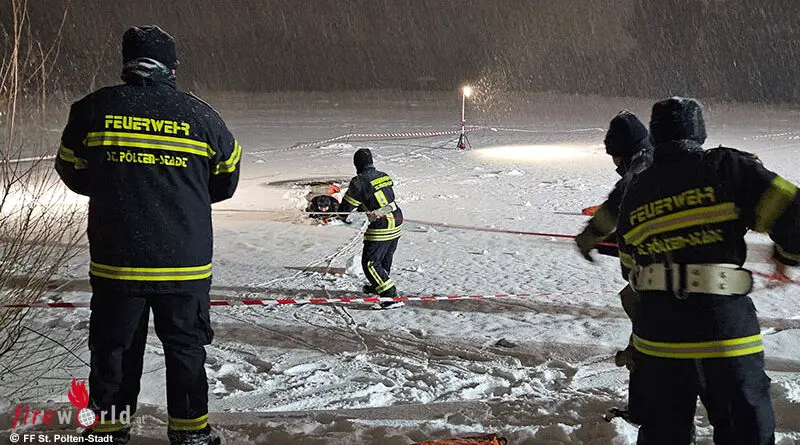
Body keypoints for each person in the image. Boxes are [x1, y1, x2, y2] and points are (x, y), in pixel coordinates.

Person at [55, 25, 240, 445]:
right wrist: (185, 196)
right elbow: (226, 178)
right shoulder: (200, 115)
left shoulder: (94, 109)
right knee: (186, 351)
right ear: (172, 67)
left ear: (127, 63)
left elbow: (71, 168)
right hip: (185, 262)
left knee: (114, 351)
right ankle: (191, 434)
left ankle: (108, 430)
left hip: (118, 261)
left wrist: (115, 187)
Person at [615, 97, 799, 444]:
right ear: (698, 131)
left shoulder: (635, 191)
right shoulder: (726, 168)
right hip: (723, 330)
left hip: (657, 337)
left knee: (663, 433)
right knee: (745, 431)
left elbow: (629, 267)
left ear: (655, 136)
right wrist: (787, 254)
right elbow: (793, 211)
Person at [575, 110, 653, 369]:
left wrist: (589, 238)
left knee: (642, 305)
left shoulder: (641, 169)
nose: (615, 164)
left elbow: (614, 207)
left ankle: (643, 362)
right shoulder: (659, 158)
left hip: (663, 271)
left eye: (615, 157)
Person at [338, 148, 404, 309]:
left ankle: (390, 296)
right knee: (384, 256)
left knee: (370, 263)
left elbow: (347, 206)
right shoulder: (383, 175)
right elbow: (377, 196)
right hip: (396, 218)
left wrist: (340, 216)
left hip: (382, 224)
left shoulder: (359, 181)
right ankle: (378, 285)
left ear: (356, 164)